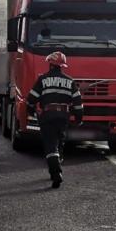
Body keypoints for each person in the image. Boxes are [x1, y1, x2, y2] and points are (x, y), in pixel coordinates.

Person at [26, 52, 83, 189]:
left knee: (50, 144)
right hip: (63, 117)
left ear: (50, 64)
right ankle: (57, 163)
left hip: (47, 116)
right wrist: (78, 118)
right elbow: (77, 102)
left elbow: (31, 99)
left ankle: (56, 172)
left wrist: (31, 111)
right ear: (62, 66)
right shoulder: (70, 81)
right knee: (60, 142)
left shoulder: (42, 79)